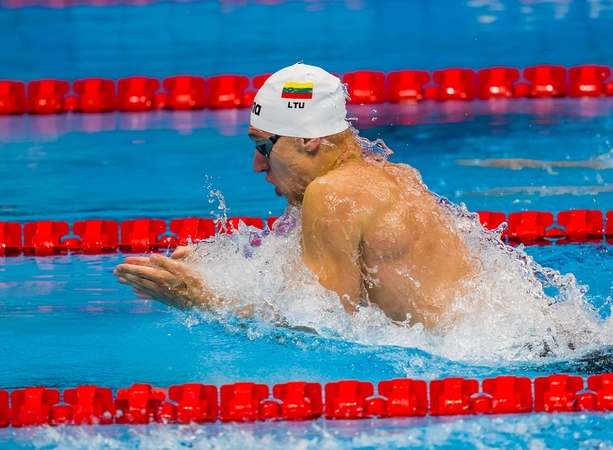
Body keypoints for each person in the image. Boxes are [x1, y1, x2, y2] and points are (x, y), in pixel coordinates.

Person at [114, 63, 478, 329]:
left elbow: (326, 329)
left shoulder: (332, 192)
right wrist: (221, 274)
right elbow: (333, 295)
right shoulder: (391, 175)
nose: (258, 165)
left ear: (308, 139)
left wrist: (204, 299)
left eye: (264, 146)